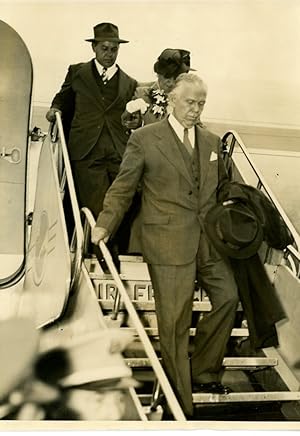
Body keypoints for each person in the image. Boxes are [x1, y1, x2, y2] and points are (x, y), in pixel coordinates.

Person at [91, 73, 239, 417]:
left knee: (229, 297)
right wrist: (103, 225)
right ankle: (180, 404)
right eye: (190, 102)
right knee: (174, 323)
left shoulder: (213, 142)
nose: (196, 110)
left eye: (201, 104)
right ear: (172, 100)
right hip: (168, 241)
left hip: (207, 242)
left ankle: (203, 369)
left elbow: (221, 192)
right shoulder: (145, 139)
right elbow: (123, 188)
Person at [45, 22, 138, 256]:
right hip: (86, 151)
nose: (109, 54)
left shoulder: (128, 82)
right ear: (94, 48)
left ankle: (108, 250)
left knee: (119, 202)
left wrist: (135, 123)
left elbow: (130, 118)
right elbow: (62, 98)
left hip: (117, 152)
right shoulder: (77, 72)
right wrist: (54, 109)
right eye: (104, 48)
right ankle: (104, 254)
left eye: (113, 49)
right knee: (96, 203)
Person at [121, 48, 193, 129]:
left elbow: (197, 127)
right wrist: (137, 123)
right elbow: (127, 121)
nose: (170, 82)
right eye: (167, 76)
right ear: (158, 73)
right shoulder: (142, 93)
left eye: (176, 78)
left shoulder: (188, 98)